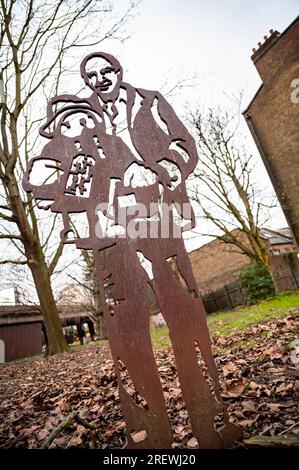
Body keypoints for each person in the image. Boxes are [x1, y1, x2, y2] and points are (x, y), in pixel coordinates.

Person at [23, 52, 241, 448]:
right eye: (93, 75)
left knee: (184, 311)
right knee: (126, 326)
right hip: (109, 227)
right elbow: (51, 173)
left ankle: (213, 421)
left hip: (159, 213)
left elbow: (183, 144)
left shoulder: (150, 101)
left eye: (107, 71)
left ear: (119, 71)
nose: (102, 79)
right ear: (86, 81)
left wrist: (158, 168)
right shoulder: (77, 118)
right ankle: (148, 434)